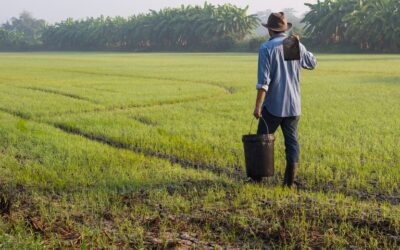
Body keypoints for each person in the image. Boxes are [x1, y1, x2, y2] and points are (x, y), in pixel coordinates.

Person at [253, 12, 317, 188]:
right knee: (292, 143)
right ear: (284, 28)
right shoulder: (293, 44)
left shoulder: (267, 48)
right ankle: (289, 182)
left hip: (273, 105)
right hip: (293, 105)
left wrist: (258, 106)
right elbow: (312, 63)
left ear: (270, 31)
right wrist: (299, 44)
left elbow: (264, 82)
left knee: (262, 139)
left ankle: (257, 178)